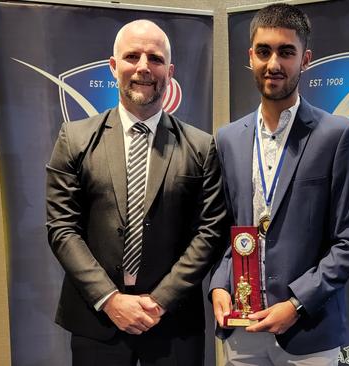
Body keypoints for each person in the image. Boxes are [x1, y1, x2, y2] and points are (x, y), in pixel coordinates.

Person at [46, 19, 227, 366]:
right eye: (132, 56)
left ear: (170, 71)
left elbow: (210, 232)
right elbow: (62, 229)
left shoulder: (202, 147)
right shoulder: (74, 139)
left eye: (155, 59)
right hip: (97, 321)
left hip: (174, 324)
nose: (144, 67)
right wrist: (110, 299)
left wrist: (159, 301)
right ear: (113, 67)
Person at [210, 4, 349, 365]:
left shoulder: (339, 136)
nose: (274, 64)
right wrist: (219, 284)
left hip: (309, 331)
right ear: (251, 56)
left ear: (305, 59)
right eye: (264, 51)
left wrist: (297, 304)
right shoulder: (228, 139)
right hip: (243, 329)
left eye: (286, 52)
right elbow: (224, 231)